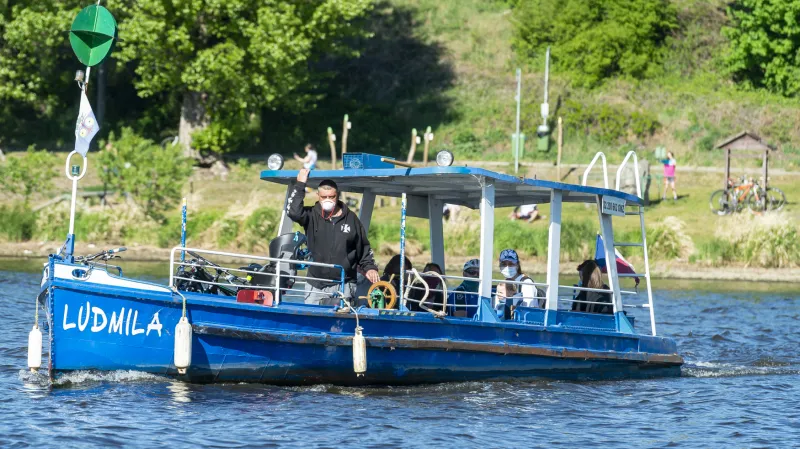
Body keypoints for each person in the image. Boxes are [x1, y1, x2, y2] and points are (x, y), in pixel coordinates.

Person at [287, 169, 379, 305]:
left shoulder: (351, 219)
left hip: (344, 284)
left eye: (332, 196)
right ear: (318, 196)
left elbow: (363, 247)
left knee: (343, 317)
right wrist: (300, 184)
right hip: (315, 283)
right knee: (312, 317)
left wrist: (370, 268)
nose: (328, 200)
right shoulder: (311, 215)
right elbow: (293, 212)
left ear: (337, 196)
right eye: (324, 197)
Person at [494, 249, 540, 318]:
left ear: (517, 265)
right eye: (504, 264)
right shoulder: (502, 285)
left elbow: (528, 309)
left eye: (511, 264)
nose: (507, 267)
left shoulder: (527, 283)